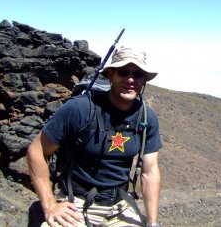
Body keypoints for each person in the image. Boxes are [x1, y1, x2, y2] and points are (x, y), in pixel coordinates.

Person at [26, 46, 162, 227]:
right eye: (123, 72)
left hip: (119, 205)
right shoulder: (80, 109)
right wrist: (50, 205)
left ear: (144, 80)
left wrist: (152, 223)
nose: (130, 79)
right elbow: (36, 151)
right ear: (111, 75)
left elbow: (150, 172)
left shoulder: (146, 117)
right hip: (76, 203)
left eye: (137, 74)